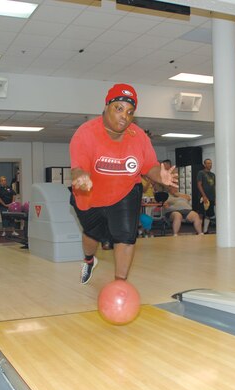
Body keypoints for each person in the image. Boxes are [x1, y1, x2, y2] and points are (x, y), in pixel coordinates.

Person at [70, 83, 177, 285]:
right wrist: (80, 175)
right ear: (107, 106)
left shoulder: (139, 137)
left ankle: (120, 284)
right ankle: (89, 260)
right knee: (92, 236)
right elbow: (78, 167)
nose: (124, 116)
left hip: (124, 192)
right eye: (119, 109)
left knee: (126, 237)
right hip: (89, 195)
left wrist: (159, 175)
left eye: (129, 112)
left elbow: (149, 167)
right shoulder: (85, 133)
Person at [196, 158, 215, 233]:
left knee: (208, 215)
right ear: (204, 164)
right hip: (203, 197)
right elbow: (199, 185)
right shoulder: (201, 173)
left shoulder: (213, 175)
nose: (209, 165)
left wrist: (215, 198)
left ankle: (205, 230)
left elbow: (213, 186)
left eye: (210, 163)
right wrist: (203, 196)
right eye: (208, 163)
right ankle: (199, 231)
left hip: (211, 197)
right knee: (201, 213)